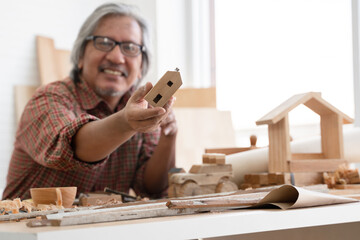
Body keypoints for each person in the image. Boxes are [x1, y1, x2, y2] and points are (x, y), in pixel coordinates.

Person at [3, 2, 177, 200]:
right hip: (27, 227)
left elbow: (151, 189)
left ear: (140, 67)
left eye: (130, 47)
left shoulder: (141, 109)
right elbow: (74, 147)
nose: (116, 57)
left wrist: (169, 136)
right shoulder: (48, 99)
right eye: (103, 42)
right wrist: (127, 122)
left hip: (99, 230)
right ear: (80, 56)